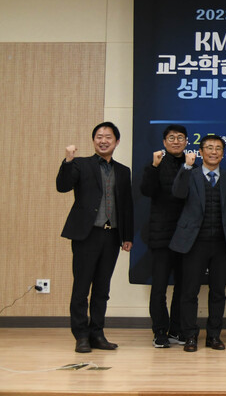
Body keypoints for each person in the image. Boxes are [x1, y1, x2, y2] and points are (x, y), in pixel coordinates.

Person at [56, 121, 134, 353]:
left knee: (102, 288)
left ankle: (97, 333)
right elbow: (62, 186)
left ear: (116, 141)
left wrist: (127, 236)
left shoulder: (123, 171)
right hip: (86, 235)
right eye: (99, 136)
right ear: (93, 141)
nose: (103, 140)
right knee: (81, 288)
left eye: (108, 137)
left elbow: (127, 206)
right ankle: (81, 335)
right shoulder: (80, 164)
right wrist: (68, 161)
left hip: (112, 236)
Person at [170, 134, 226, 352]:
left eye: (218, 148)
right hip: (194, 244)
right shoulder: (189, 174)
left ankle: (214, 336)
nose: (214, 152)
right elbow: (178, 193)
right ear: (201, 152)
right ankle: (190, 335)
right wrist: (186, 167)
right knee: (189, 292)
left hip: (222, 244)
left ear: (223, 153)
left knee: (218, 292)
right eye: (209, 148)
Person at [140, 124, 188, 347]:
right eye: (171, 138)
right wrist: (154, 166)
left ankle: (176, 330)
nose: (176, 141)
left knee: (183, 287)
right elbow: (146, 191)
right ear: (164, 142)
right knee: (159, 287)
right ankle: (159, 331)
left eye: (180, 137)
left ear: (186, 142)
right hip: (161, 235)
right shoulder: (156, 163)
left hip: (185, 236)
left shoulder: (192, 165)